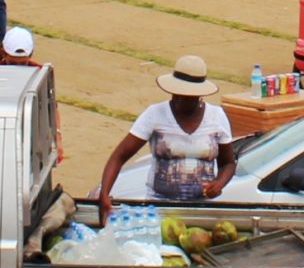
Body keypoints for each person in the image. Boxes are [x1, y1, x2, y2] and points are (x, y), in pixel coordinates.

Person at [93, 55, 234, 220]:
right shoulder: (155, 115)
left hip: (201, 210)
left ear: (199, 95)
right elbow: (119, 156)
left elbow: (228, 163)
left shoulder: (216, 116)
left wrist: (219, 183)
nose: (178, 98)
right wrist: (104, 193)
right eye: (176, 93)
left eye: (186, 95)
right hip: (158, 208)